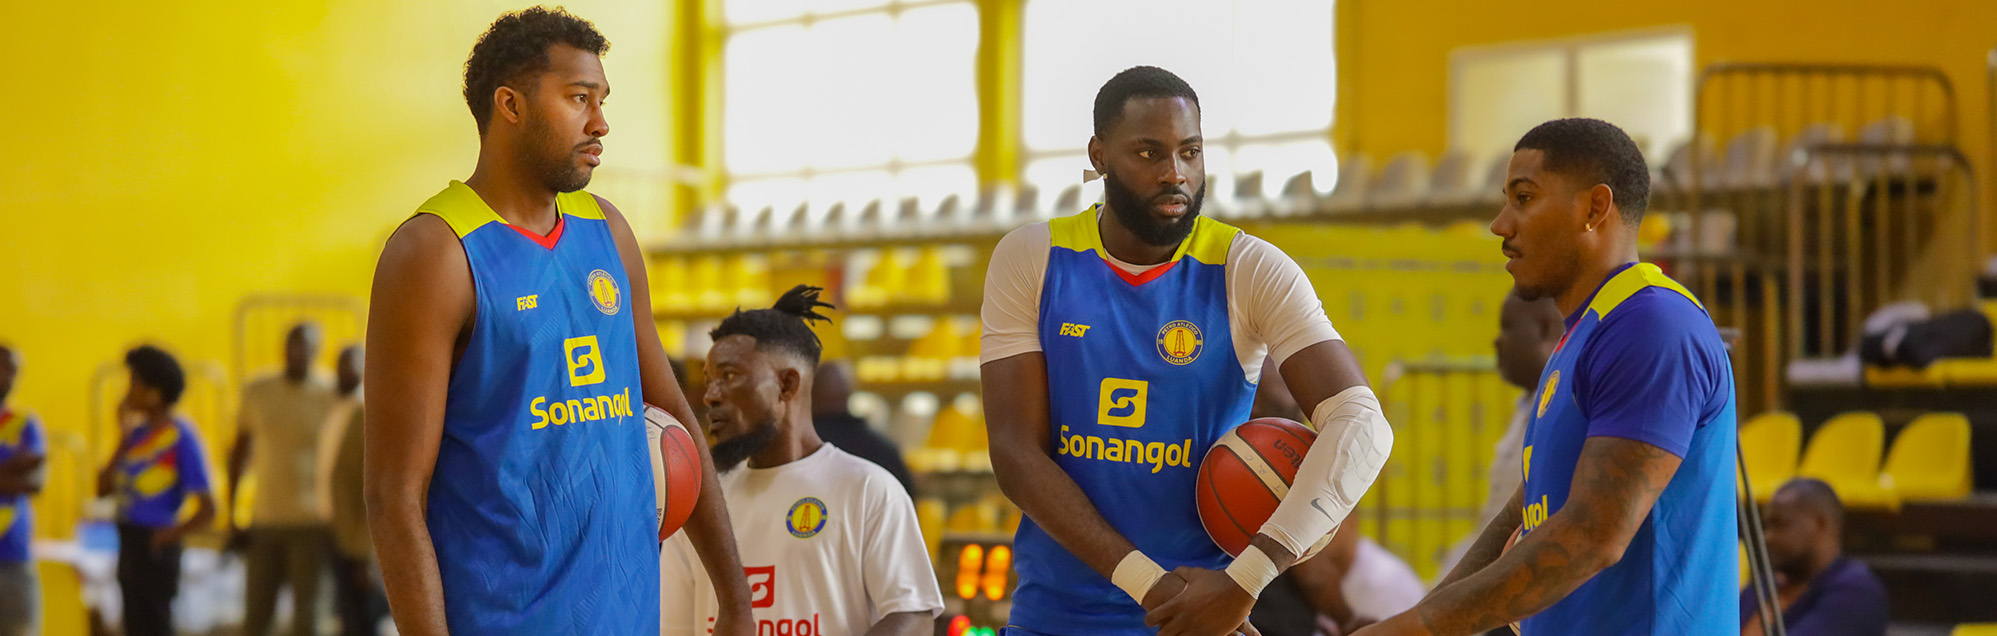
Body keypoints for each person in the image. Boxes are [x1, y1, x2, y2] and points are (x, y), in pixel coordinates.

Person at [364, 8, 751, 635]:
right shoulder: (433, 254)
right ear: (510, 105)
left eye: (602, 100)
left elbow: (674, 412)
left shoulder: (608, 231)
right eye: (578, 99)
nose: (600, 123)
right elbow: (393, 496)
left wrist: (735, 599)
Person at [980, 66, 1393, 636]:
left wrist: (1246, 579)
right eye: (1148, 153)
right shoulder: (1033, 256)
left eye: (1190, 152)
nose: (1174, 173)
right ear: (1099, 156)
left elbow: (1363, 424)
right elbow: (1016, 455)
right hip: (1061, 617)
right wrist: (1155, 589)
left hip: (1205, 615)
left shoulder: (1250, 267)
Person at [1355, 118, 1738, 636]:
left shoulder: (1652, 327)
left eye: (1524, 198)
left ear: (1594, 210)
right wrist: (1414, 625)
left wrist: (1422, 627)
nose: (1500, 224)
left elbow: (1594, 535)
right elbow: (1523, 512)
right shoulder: (1581, 334)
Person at [662, 286, 943, 636]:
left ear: (787, 385)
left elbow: (914, 617)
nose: (710, 395)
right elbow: (672, 627)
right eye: (708, 380)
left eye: (728, 376)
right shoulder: (697, 501)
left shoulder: (869, 488)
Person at [1246, 360, 1424, 636]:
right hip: (1276, 618)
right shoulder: (1280, 454)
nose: (1297, 391)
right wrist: (1347, 619)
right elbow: (1310, 570)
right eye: (1283, 378)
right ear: (1254, 396)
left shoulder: (1213, 442)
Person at [1439, 290, 1563, 578]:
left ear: (1543, 329)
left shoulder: (1560, 409)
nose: (1497, 340)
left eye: (1507, 326)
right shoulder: (1527, 406)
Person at [97, 345, 218, 636]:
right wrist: (122, 438)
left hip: (156, 545)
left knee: (155, 625)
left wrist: (169, 535)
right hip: (128, 539)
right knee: (133, 625)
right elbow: (102, 488)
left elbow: (208, 509)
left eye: (135, 383)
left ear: (155, 392)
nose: (128, 392)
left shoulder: (180, 437)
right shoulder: (135, 436)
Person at [231, 322, 339, 636]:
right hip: (266, 518)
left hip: (314, 522)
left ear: (316, 351)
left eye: (305, 346)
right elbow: (238, 452)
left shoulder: (330, 393)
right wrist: (233, 511)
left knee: (309, 619)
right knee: (256, 617)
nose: (298, 352)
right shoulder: (258, 390)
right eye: (293, 345)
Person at [1740, 479, 1888, 636]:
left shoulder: (1857, 592)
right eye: (1766, 526)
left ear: (1820, 524)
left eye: (1780, 524)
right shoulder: (1765, 584)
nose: (1766, 537)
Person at [325, 346, 384, 636]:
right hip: (336, 530)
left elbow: (365, 485)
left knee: (363, 619)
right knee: (348, 617)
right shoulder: (335, 406)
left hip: (358, 542)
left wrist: (362, 552)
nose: (345, 372)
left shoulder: (365, 411)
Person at [811, 360, 915, 497]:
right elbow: (905, 498)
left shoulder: (796, 447)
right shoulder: (882, 449)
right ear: (848, 394)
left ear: (810, 394)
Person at [0, 346, 44, 636]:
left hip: (14, 557)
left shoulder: (24, 424)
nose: (8, 377)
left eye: (13, 370)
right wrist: (10, 469)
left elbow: (34, 483)